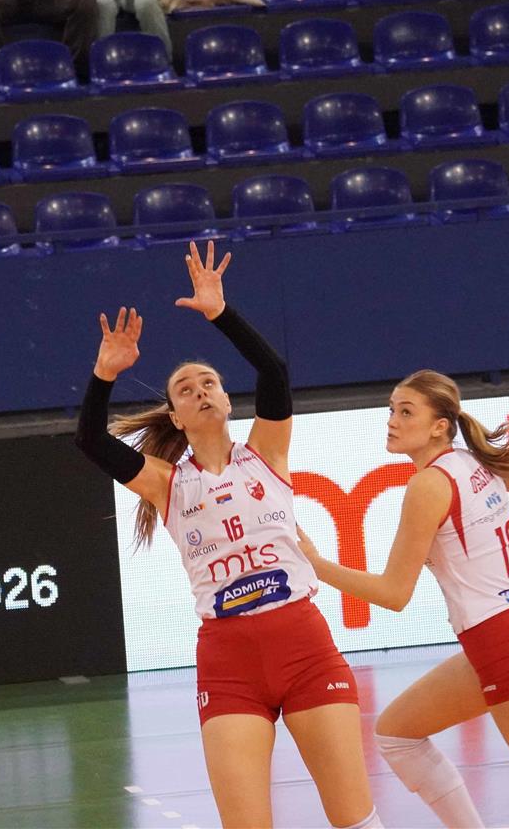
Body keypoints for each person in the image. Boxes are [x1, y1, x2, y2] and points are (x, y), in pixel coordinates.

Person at [75, 241, 384, 829]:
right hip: (229, 660)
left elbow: (273, 372)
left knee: (354, 817)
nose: (200, 391)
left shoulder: (267, 452)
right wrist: (104, 374)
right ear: (175, 417)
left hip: (303, 644)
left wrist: (220, 313)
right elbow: (90, 441)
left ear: (226, 399)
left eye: (209, 382)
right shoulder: (167, 482)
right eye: (186, 389)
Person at [297, 369, 509, 829]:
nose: (392, 420)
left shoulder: (429, 485)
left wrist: (315, 563)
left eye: (406, 412)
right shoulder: (473, 462)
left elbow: (393, 594)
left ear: (439, 426)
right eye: (391, 409)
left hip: (505, 648)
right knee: (397, 734)